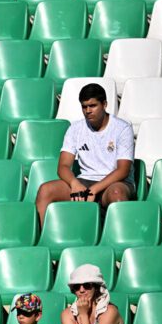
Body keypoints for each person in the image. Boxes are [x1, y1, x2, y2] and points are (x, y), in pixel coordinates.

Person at [35, 83, 135, 224]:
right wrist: (75, 183)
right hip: (84, 182)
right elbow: (63, 166)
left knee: (116, 193)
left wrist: (94, 189)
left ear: (104, 104)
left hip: (115, 183)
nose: (88, 110)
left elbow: (123, 170)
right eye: (84, 106)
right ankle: (41, 238)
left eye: (93, 106)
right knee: (46, 190)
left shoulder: (122, 128)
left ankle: (122, 239)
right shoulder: (75, 128)